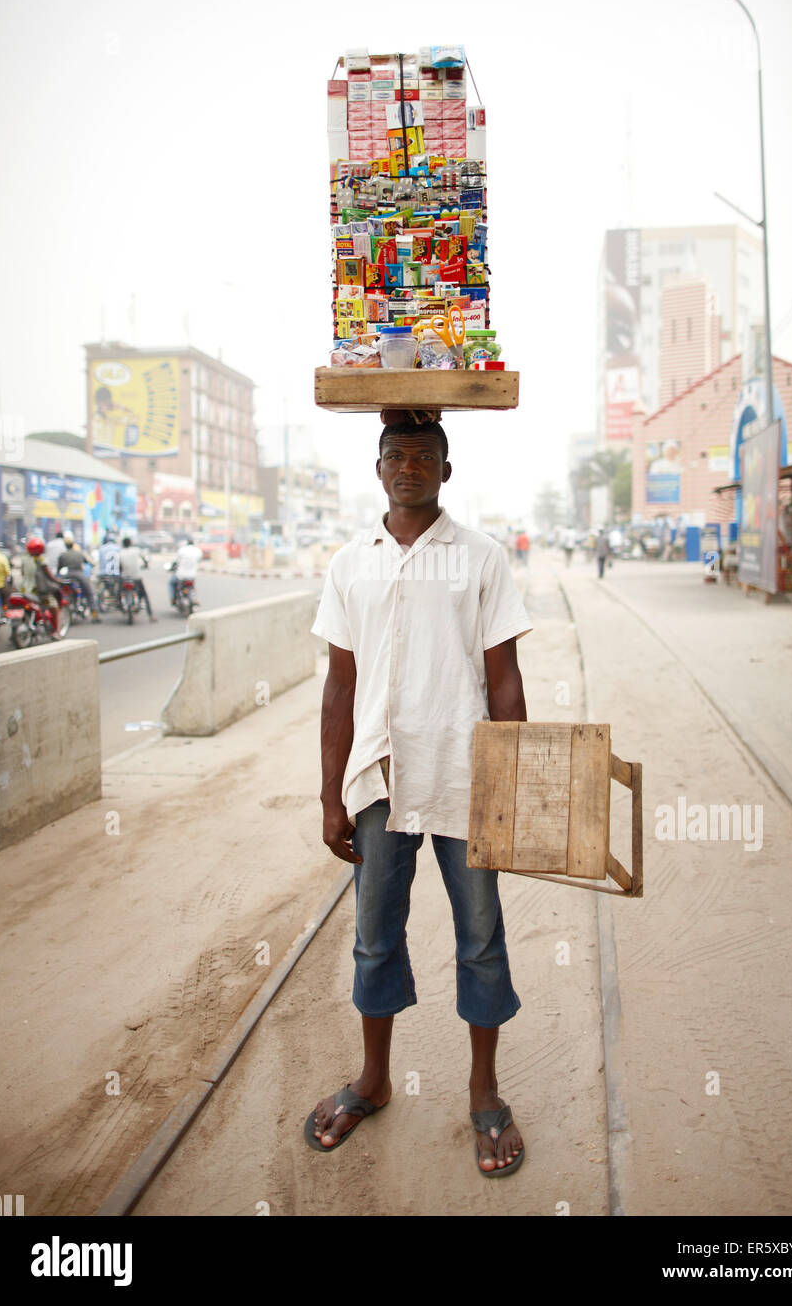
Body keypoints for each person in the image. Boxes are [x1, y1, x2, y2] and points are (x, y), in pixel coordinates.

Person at [305, 417, 533, 1176]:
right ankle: (373, 1080)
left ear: (445, 469)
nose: (409, 468)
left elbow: (503, 677)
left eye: (423, 457)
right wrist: (331, 795)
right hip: (378, 781)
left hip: (464, 775)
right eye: (395, 457)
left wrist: (516, 783)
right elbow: (341, 685)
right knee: (374, 935)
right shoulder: (350, 564)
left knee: (480, 936)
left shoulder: (480, 558)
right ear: (377, 472)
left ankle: (484, 1092)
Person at [24, 535, 65, 637]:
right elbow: (50, 576)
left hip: (25, 591)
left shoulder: (25, 560)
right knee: (55, 608)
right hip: (40, 594)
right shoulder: (42, 560)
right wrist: (58, 581)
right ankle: (57, 633)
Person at [57, 531, 100, 621]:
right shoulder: (79, 553)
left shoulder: (63, 555)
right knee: (89, 593)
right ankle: (94, 614)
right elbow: (89, 562)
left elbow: (59, 568)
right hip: (79, 575)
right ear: (73, 544)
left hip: (67, 576)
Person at [119, 536, 156, 621]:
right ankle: (151, 616)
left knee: (119, 592)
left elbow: (119, 567)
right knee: (144, 595)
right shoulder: (136, 550)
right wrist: (146, 564)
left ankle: (120, 606)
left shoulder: (120, 553)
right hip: (136, 578)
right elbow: (144, 559)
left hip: (124, 578)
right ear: (130, 543)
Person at [169, 536, 202, 606]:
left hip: (181, 575)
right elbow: (199, 561)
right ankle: (194, 598)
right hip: (192, 574)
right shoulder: (197, 551)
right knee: (192, 586)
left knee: (171, 583)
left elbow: (176, 561)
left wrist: (173, 567)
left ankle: (172, 598)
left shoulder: (181, 550)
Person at [97, 530, 121, 606]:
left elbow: (100, 562)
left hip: (104, 574)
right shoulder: (119, 548)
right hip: (116, 574)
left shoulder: (102, 548)